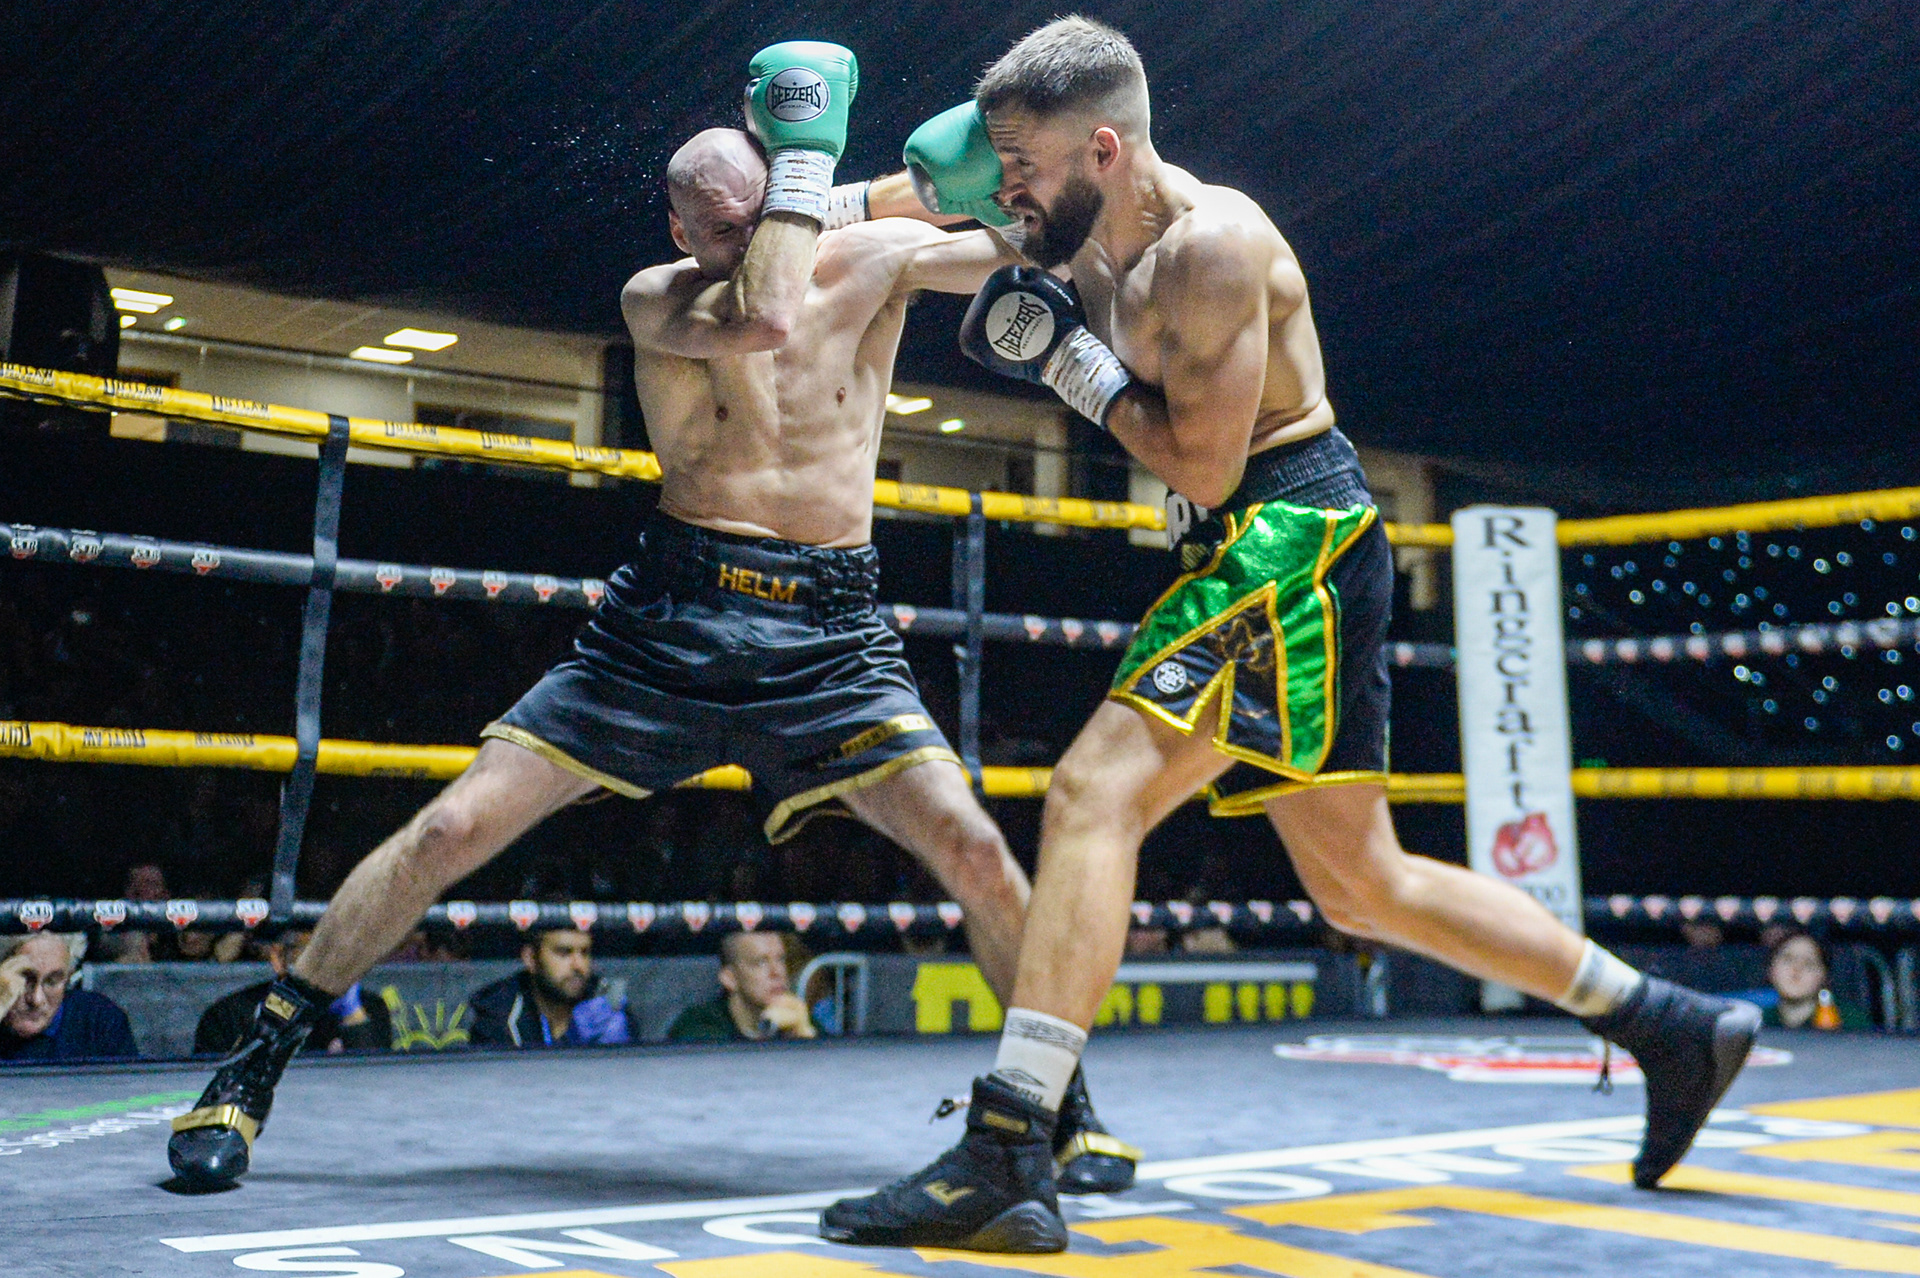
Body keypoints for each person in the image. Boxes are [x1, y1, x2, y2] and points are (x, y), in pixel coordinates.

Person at [823, 18, 1760, 1253]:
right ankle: (1667, 1024)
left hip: (1285, 539)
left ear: (1103, 150)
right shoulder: (1068, 217)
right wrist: (794, 205)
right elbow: (917, 223)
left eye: (1026, 168)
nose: (1008, 191)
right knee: (1361, 883)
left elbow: (1205, 470)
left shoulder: (1215, 247)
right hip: (1264, 550)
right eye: (1001, 168)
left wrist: (1072, 367)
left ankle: (1009, 1142)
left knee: (1094, 793)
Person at [168, 38, 1134, 1193]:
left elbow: (1051, 252)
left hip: (830, 633)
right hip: (668, 621)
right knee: (450, 831)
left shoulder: (871, 259)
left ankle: (1055, 1099)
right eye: (720, 229)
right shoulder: (658, 297)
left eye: (757, 217)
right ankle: (253, 1064)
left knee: (974, 847)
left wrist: (1030, 186)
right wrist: (813, 175)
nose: (744, 241)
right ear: (684, 230)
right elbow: (765, 314)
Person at [193, 929, 390, 1056]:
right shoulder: (228, 1015)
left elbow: (379, 1087)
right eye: (314, 952)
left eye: (335, 951)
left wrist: (353, 1018)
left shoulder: (369, 1007)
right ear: (279, 958)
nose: (327, 961)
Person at [470, 927, 636, 1047]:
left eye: (584, 952)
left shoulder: (605, 1004)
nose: (578, 965)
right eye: (564, 952)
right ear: (531, 959)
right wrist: (568, 1044)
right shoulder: (498, 1014)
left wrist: (620, 1053)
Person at [0, 933, 138, 1061]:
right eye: (25, 980)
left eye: (52, 982)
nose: (37, 1000)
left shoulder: (100, 1021)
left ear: (69, 977)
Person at [668, 931, 814, 1042]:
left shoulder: (796, 1015)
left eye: (781, 959)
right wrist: (766, 1032)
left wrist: (804, 1035)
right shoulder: (698, 1026)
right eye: (761, 962)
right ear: (730, 978)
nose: (777, 972)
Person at [1752, 930, 1871, 1030]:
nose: (1797, 969)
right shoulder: (1755, 1022)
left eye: (1809, 963)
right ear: (1771, 969)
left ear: (1824, 976)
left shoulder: (1850, 1023)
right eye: (1788, 959)